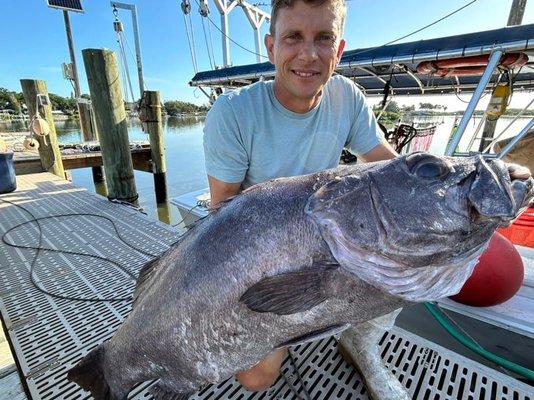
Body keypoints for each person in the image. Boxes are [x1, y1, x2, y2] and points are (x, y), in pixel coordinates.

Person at [203, 0, 407, 397]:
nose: (309, 55)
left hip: (326, 241)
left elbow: (388, 167)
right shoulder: (231, 114)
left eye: (324, 39)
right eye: (293, 37)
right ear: (271, 47)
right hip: (259, 254)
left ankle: (360, 342)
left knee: (404, 255)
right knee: (256, 378)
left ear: (339, 50)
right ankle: (297, 322)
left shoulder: (347, 97)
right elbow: (220, 214)